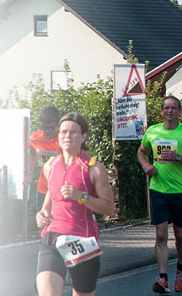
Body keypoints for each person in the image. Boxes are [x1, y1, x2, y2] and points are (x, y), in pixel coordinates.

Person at [36, 113, 117, 296]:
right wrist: (42, 213)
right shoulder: (50, 165)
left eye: (73, 132)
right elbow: (52, 193)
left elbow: (109, 208)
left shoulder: (94, 168)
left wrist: (82, 196)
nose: (67, 136)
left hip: (81, 240)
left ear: (84, 136)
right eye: (63, 132)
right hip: (52, 238)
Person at [138, 96, 182, 294]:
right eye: (166, 107)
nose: (169, 111)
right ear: (161, 111)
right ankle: (163, 278)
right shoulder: (152, 131)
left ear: (179, 111)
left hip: (181, 191)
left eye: (173, 108)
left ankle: (181, 267)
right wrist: (146, 165)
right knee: (160, 235)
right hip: (158, 189)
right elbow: (142, 152)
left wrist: (176, 157)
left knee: (180, 234)